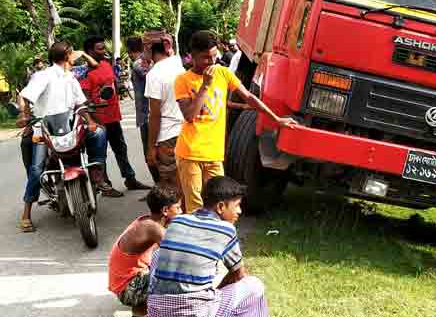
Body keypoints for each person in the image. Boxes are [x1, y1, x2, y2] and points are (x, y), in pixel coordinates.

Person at [174, 31, 297, 213]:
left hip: (214, 155)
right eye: (205, 58)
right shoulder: (183, 80)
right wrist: (205, 86)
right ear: (191, 56)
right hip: (190, 154)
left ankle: (216, 240)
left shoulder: (223, 73)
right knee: (196, 208)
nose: (211, 62)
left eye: (214, 56)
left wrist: (276, 119)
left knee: (219, 204)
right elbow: (190, 115)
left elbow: (248, 97)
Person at [15, 42, 109, 232]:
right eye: (73, 53)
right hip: (44, 130)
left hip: (69, 127)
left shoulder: (71, 77)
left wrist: (90, 121)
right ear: (67, 57)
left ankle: (96, 173)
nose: (75, 56)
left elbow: (80, 104)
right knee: (36, 170)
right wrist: (24, 115)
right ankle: (26, 213)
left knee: (99, 132)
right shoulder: (44, 76)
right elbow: (24, 96)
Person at [147, 176, 269, 317]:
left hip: (156, 308)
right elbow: (239, 274)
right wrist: (216, 289)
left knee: (157, 254)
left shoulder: (178, 220)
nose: (240, 211)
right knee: (254, 285)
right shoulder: (226, 229)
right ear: (221, 207)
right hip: (194, 312)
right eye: (237, 205)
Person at [80, 35, 151, 196]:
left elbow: (112, 83)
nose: (104, 51)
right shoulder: (85, 72)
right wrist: (92, 118)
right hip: (98, 119)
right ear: (90, 51)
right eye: (100, 49)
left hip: (113, 116)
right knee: (100, 153)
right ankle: (105, 185)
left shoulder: (106, 64)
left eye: (103, 47)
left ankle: (130, 178)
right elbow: (84, 97)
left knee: (121, 148)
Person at [108, 187, 182, 317]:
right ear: (165, 210)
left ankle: (142, 308)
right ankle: (143, 308)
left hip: (125, 283)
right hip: (127, 289)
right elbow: (178, 254)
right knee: (178, 277)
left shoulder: (147, 221)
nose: (181, 212)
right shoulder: (153, 228)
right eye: (178, 208)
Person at [144, 42, 186, 192]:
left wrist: (150, 147)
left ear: (149, 50)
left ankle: (178, 214)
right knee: (186, 181)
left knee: (171, 187)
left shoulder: (154, 74)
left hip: (168, 135)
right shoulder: (179, 67)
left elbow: (155, 114)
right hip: (186, 131)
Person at [129, 36, 160, 183]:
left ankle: (159, 186)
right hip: (152, 113)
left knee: (150, 152)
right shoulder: (150, 63)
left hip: (147, 115)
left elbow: (152, 78)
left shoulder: (138, 64)